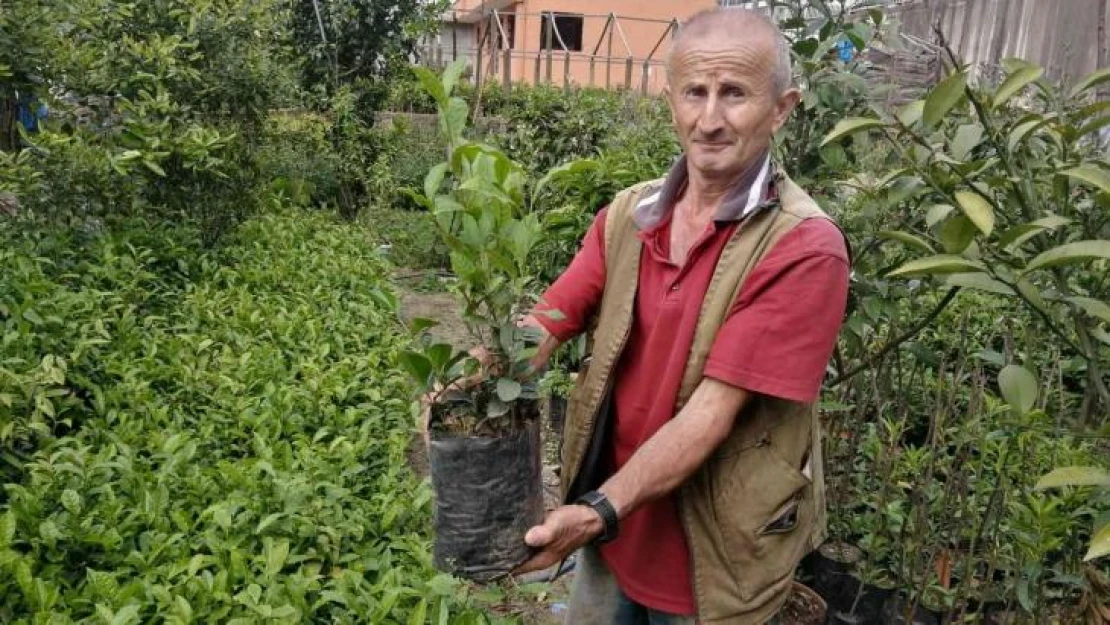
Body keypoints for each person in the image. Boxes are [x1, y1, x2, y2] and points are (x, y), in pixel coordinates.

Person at [429, 7, 850, 624]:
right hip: (615, 534)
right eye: (694, 93)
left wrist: (598, 510)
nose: (709, 120)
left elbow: (710, 415)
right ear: (670, 100)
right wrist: (474, 378)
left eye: (734, 94)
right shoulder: (630, 215)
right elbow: (547, 322)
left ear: (782, 107)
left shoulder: (803, 247)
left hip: (714, 555)